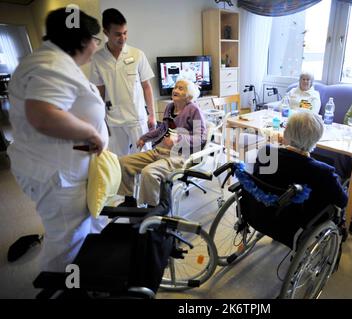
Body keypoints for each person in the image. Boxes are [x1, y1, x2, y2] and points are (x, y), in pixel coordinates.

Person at [7, 8, 108, 272]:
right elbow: (42, 114)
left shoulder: (50, 60)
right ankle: (58, 288)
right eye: (96, 39)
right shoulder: (53, 65)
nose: (97, 45)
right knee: (66, 242)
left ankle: (86, 274)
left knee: (80, 231)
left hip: (54, 165)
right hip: (58, 172)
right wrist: (92, 133)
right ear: (84, 40)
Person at [253, 112, 348, 246]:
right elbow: (342, 201)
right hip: (294, 225)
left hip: (259, 213)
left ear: (286, 133)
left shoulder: (267, 153)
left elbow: (257, 180)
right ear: (316, 139)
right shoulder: (322, 171)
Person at [118, 79, 207, 207]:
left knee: (149, 172)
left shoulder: (194, 110)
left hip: (180, 156)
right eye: (175, 87)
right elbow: (162, 129)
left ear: (189, 95)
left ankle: (154, 209)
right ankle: (129, 201)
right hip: (161, 151)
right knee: (124, 163)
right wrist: (145, 138)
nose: (175, 90)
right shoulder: (170, 107)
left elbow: (201, 137)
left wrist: (178, 138)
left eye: (181, 88)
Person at [90, 8, 156, 156]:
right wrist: (100, 120)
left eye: (125, 33)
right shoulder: (98, 59)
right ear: (106, 32)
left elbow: (147, 87)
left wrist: (152, 115)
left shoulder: (137, 54)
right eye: (118, 34)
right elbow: (99, 93)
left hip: (137, 119)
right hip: (114, 120)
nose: (123, 38)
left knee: (143, 159)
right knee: (118, 162)